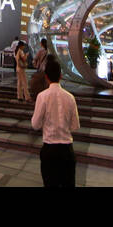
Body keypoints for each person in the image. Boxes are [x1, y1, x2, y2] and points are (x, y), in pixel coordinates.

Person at [31, 57, 79, 187]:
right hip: (67, 150)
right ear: (61, 76)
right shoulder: (70, 98)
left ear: (46, 77)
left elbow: (35, 124)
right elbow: (75, 126)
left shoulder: (42, 96)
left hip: (49, 149)